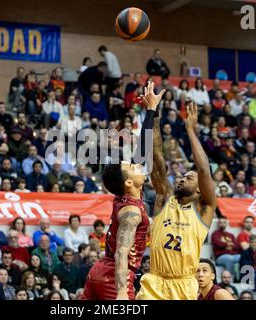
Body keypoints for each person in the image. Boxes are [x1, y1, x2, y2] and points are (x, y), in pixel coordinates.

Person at [83, 82, 162, 300]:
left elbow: (143, 148)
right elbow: (121, 253)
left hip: (98, 271)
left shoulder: (125, 193)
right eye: (133, 166)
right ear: (128, 182)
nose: (138, 165)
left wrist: (151, 109)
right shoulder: (131, 213)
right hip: (113, 277)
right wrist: (120, 293)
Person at [136, 86, 217, 300]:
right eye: (181, 177)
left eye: (188, 178)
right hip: (155, 281)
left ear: (200, 188)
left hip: (184, 284)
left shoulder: (204, 208)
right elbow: (155, 158)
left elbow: (203, 170)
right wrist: (152, 114)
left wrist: (190, 130)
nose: (181, 178)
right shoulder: (165, 196)